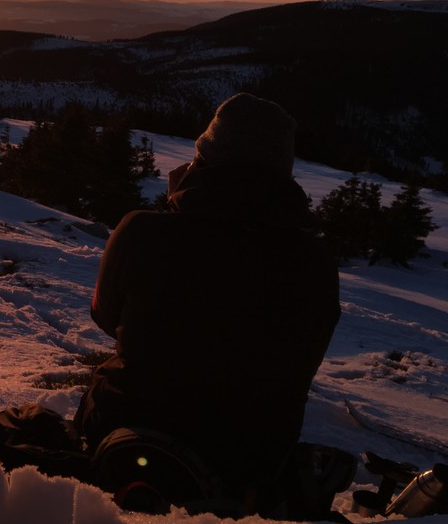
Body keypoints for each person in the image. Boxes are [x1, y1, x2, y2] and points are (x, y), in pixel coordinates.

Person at [74, 93, 341, 501]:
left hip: (128, 428)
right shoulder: (314, 261)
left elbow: (105, 317)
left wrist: (177, 210)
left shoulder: (141, 231)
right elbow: (303, 355)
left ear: (205, 158)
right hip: (251, 462)